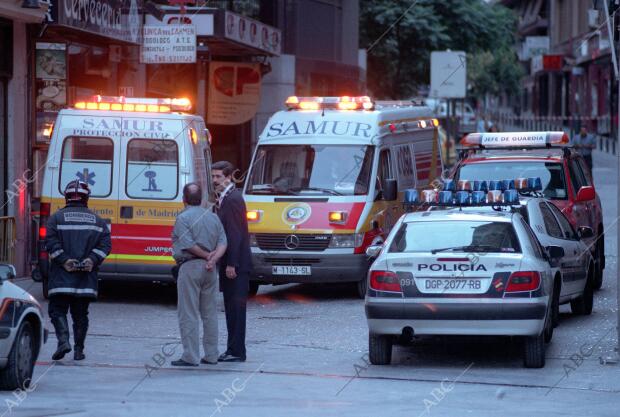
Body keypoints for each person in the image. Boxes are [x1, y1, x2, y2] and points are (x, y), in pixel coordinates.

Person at [45, 180, 111, 361]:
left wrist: (65, 260)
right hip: (85, 280)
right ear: (86, 198)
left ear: (66, 197)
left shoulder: (55, 218)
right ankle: (78, 350)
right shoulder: (97, 221)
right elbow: (106, 245)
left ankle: (63, 341)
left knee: (57, 310)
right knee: (81, 314)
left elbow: (50, 243)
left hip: (61, 278)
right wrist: (92, 259)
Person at [171, 182, 227, 367]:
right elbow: (223, 242)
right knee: (210, 313)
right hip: (210, 271)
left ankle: (190, 356)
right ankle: (211, 355)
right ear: (201, 199)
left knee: (188, 313)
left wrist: (205, 256)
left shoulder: (183, 218)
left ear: (184, 199)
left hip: (190, 267)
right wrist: (212, 259)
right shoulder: (212, 217)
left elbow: (187, 244)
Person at [211, 161, 252, 362]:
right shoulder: (225, 198)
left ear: (228, 177)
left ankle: (237, 351)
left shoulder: (233, 199)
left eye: (218, 176)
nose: (214, 180)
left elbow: (235, 234)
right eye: (213, 176)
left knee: (236, 309)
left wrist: (231, 263)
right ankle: (232, 348)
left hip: (236, 264)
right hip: (231, 262)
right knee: (230, 307)